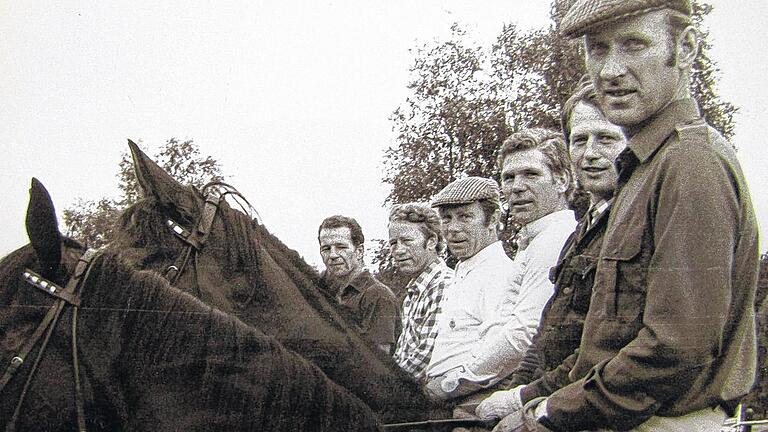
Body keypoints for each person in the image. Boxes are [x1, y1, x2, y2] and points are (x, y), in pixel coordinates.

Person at [514, 1, 760, 431]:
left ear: (685, 49)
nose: (609, 70)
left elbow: (678, 347)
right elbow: (608, 340)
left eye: (633, 45)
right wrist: (537, 401)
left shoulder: (689, 163)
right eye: (597, 49)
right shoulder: (645, 168)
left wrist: (553, 413)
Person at [475, 81, 627, 426]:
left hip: (580, 404)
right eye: (508, 177)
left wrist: (520, 399)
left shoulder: (579, 233)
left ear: (561, 180)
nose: (590, 153)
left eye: (605, 138)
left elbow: (596, 347)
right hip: (548, 393)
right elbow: (546, 333)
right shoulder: (580, 233)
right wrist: (515, 396)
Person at [424, 130, 576, 406]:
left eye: (531, 174)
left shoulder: (555, 239)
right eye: (509, 177)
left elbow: (523, 333)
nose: (516, 187)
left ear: (562, 180)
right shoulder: (533, 241)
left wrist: (452, 384)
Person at [389, 203, 453, 383]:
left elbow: (427, 357)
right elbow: (403, 354)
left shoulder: (443, 284)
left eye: (407, 241)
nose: (398, 250)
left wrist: (384, 386)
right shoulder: (414, 291)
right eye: (393, 243)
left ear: (431, 241)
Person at [318, 215, 398, 354]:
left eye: (341, 247)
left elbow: (380, 360)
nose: (332, 255)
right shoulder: (329, 291)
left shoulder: (378, 296)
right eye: (326, 249)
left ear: (359, 251)